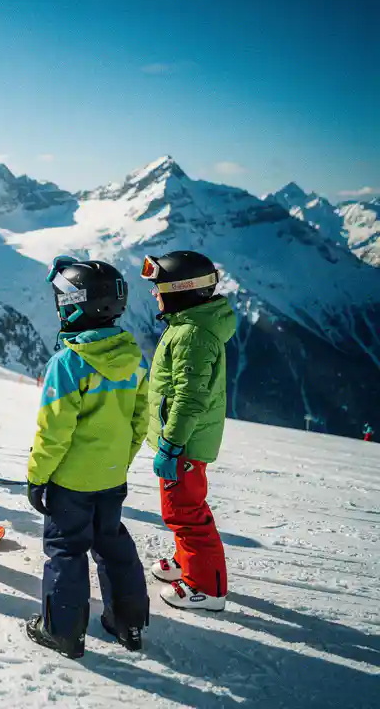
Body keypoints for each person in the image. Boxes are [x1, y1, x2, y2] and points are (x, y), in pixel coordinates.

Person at [25, 256, 150, 659]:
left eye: (63, 299)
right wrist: (118, 460)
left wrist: (37, 476)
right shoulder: (132, 358)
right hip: (112, 477)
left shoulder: (68, 363)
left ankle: (62, 632)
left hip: (71, 483)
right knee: (112, 544)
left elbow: (54, 431)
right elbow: (139, 421)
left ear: (76, 306)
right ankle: (127, 623)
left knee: (66, 549)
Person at [142, 250, 235, 612]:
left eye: (159, 287)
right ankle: (187, 561)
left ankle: (206, 588)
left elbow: (189, 397)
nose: (154, 293)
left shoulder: (192, 335)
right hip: (183, 441)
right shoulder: (186, 326)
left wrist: (171, 444)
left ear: (182, 290)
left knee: (185, 512)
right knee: (181, 508)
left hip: (184, 443)